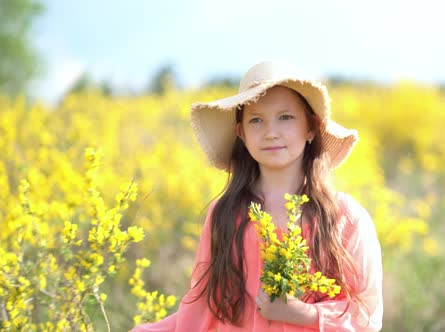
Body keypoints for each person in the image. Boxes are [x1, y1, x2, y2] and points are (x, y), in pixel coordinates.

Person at [131, 61, 383, 331]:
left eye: (285, 117)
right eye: (256, 120)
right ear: (241, 133)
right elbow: (202, 303)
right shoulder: (226, 213)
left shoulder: (344, 216)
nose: (271, 132)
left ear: (311, 127)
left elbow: (365, 315)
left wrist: (303, 313)